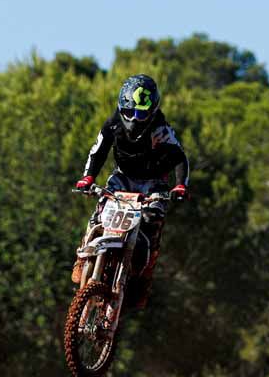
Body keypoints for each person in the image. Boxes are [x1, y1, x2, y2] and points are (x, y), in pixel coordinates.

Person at [72, 74, 190, 308]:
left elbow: (180, 157)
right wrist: (88, 177)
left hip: (153, 182)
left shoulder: (160, 129)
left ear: (153, 110)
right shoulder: (112, 124)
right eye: (131, 112)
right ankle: (82, 256)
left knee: (153, 221)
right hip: (122, 177)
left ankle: (143, 279)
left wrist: (180, 185)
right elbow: (98, 151)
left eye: (142, 113)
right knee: (100, 211)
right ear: (121, 107)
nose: (136, 119)